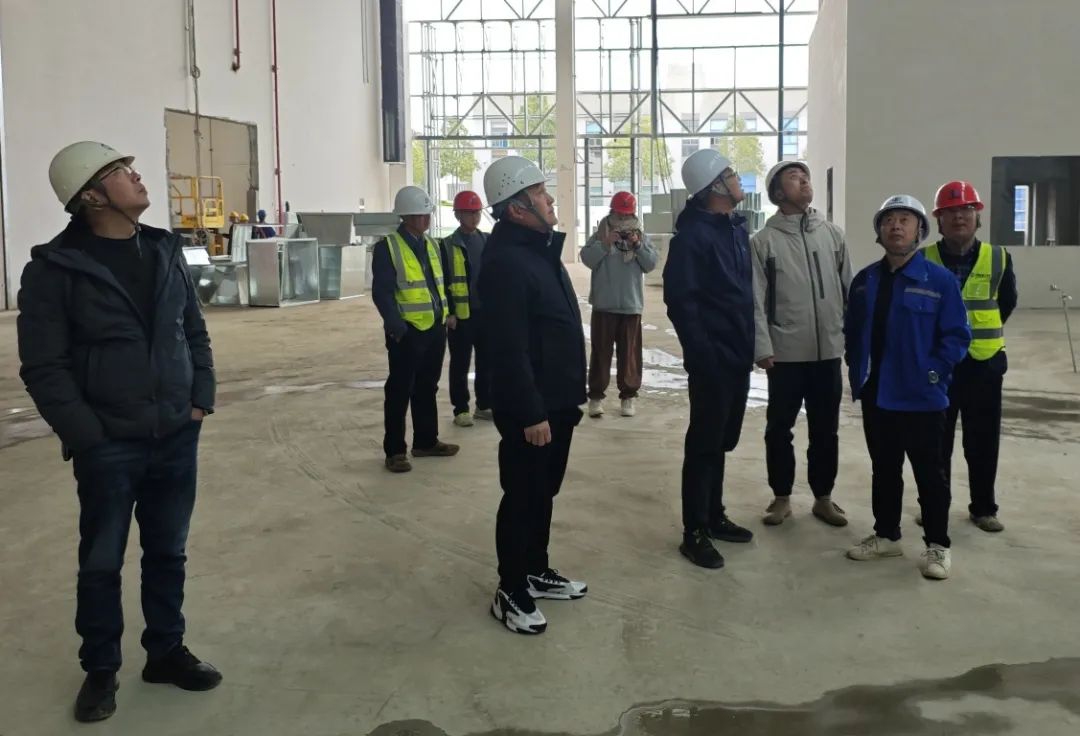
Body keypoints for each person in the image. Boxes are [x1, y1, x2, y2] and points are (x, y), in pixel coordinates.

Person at [17, 141, 221, 723]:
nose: (136, 176)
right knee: (102, 561)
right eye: (119, 172)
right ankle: (101, 669)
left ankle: (166, 651)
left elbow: (192, 328)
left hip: (176, 433)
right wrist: (89, 436)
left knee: (168, 552)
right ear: (90, 196)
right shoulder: (55, 270)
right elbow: (44, 367)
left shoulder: (163, 248)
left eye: (129, 168)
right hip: (109, 444)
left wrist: (200, 398)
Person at [479, 155, 588, 635]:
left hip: (557, 400)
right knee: (523, 495)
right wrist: (529, 411)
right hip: (533, 408)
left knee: (543, 492)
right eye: (541, 194)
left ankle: (535, 569)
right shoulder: (506, 263)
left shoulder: (538, 251)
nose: (550, 200)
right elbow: (507, 347)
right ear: (517, 209)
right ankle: (510, 588)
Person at [844, 195, 971, 581]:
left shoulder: (940, 281)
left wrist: (934, 372)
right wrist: (856, 369)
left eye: (905, 219)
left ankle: (938, 544)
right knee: (884, 469)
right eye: (888, 220)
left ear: (920, 230)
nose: (896, 226)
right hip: (878, 394)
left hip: (922, 396)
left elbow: (957, 335)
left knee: (930, 475)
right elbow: (852, 331)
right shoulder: (865, 281)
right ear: (879, 232)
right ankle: (887, 536)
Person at [663, 148, 756, 570]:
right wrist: (703, 355)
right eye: (731, 174)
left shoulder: (733, 229)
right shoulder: (692, 239)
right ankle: (695, 531)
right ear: (715, 186)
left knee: (722, 440)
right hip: (713, 359)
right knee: (704, 444)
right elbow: (681, 303)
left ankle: (714, 515)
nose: (738, 179)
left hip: (737, 355)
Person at [752, 161, 850, 527]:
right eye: (794, 178)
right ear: (778, 193)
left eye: (805, 176)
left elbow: (848, 290)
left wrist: (849, 339)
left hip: (827, 352)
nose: (804, 180)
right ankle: (781, 498)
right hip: (785, 354)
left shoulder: (832, 235)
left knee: (826, 429)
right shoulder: (764, 242)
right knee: (780, 429)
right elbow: (755, 299)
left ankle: (823, 498)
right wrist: (762, 346)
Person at [921, 180, 1017, 533]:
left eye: (965, 210)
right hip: (939, 366)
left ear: (978, 217)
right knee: (936, 443)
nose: (958, 217)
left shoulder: (999, 258)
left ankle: (984, 508)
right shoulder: (923, 259)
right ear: (939, 221)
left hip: (984, 363)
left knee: (983, 440)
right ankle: (935, 508)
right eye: (950, 212)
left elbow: (1006, 303)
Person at [370, 185, 460, 473]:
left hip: (434, 328)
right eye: (420, 215)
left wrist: (448, 313)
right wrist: (395, 326)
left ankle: (425, 441)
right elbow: (382, 292)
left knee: (427, 387)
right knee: (399, 390)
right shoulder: (388, 247)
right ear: (406, 216)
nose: (425, 219)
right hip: (407, 332)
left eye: (427, 214)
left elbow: (440, 283)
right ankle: (395, 451)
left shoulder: (433, 245)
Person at [580, 191, 658, 419]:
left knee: (630, 355)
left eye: (627, 215)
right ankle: (596, 397)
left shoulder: (640, 236)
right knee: (600, 353)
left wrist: (637, 245)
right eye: (619, 214)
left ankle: (628, 397)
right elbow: (586, 258)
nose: (623, 219)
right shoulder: (600, 235)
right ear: (612, 212)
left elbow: (651, 264)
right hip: (604, 306)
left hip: (631, 307)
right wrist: (605, 244)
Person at [441, 190, 493, 426]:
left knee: (486, 362)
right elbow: (442, 281)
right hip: (461, 316)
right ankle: (461, 409)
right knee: (460, 364)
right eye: (469, 213)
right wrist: (449, 312)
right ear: (458, 215)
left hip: (485, 313)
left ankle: (484, 405)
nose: (474, 217)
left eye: (477, 212)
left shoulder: (487, 241)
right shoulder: (447, 245)